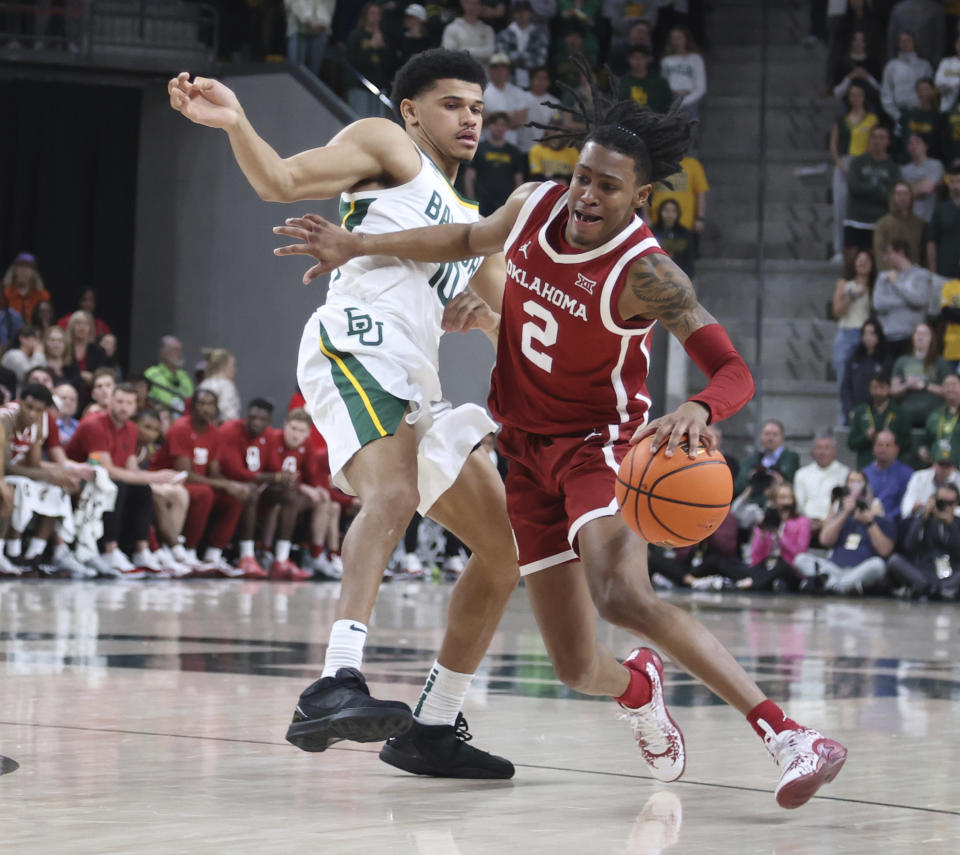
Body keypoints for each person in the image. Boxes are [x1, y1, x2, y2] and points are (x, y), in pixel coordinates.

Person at [276, 85, 848, 807]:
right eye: (582, 175)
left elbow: (734, 370)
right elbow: (460, 240)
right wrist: (359, 243)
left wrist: (700, 407)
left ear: (638, 198)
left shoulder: (647, 271)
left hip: (595, 448)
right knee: (578, 664)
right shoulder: (532, 205)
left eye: (607, 186)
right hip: (525, 454)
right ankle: (639, 684)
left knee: (621, 594)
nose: (586, 194)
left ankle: (790, 734)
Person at [170, 49, 521, 777]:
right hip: (355, 343)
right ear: (413, 112)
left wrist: (481, 320)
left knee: (502, 552)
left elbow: (508, 326)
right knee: (391, 490)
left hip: (416, 378)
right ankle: (334, 678)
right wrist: (236, 121)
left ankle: (430, 726)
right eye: (453, 105)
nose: (470, 120)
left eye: (479, 109)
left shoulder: (475, 224)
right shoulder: (388, 144)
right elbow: (283, 181)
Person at [66, 383, 184, 577]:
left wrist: (157, 480)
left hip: (108, 481)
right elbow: (107, 470)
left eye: (129, 403)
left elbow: (131, 468)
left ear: (136, 406)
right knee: (116, 485)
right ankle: (109, 551)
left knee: (143, 489)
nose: (124, 407)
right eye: (119, 401)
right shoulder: (94, 424)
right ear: (110, 401)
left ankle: (141, 550)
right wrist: (156, 475)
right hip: (82, 480)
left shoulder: (131, 428)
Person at [147, 388, 252, 576]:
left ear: (216, 408)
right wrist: (227, 484)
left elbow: (214, 472)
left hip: (197, 483)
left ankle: (214, 555)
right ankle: (189, 550)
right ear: (192, 407)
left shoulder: (215, 433)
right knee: (205, 493)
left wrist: (233, 486)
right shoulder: (181, 428)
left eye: (209, 404)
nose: (205, 408)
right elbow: (185, 473)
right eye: (200, 404)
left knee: (233, 498)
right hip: (169, 480)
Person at [217, 398, 305, 579]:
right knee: (249, 491)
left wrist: (284, 479)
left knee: (289, 494)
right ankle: (247, 556)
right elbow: (235, 472)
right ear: (246, 417)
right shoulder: (230, 430)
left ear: (269, 422)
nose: (256, 422)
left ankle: (281, 559)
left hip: (256, 487)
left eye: (261, 419)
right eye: (252, 417)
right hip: (226, 484)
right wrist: (278, 476)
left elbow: (273, 467)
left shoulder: (269, 436)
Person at [793, 469, 894, 596]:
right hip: (834, 568)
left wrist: (870, 521)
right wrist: (845, 512)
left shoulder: (877, 516)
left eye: (859, 482)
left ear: (867, 487)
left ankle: (831, 585)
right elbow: (825, 540)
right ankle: (842, 587)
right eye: (851, 481)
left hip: (860, 570)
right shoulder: (840, 515)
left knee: (878, 565)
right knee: (800, 559)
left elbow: (885, 551)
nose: (855, 486)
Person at [828, 80, 879, 264]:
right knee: (840, 208)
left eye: (859, 95)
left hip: (862, 163)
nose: (855, 98)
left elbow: (873, 143)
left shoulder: (871, 119)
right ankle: (838, 250)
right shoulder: (840, 120)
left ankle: (862, 249)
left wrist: (860, 165)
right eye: (852, 95)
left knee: (860, 207)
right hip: (843, 163)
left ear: (864, 97)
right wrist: (841, 164)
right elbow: (833, 145)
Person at [843, 125, 902, 275]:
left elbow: (890, 195)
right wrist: (878, 188)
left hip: (879, 222)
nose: (877, 141)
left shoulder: (892, 167)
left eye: (882, 137)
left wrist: (868, 188)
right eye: (874, 137)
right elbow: (854, 188)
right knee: (850, 263)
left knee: (876, 264)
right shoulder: (858, 162)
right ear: (869, 140)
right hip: (855, 220)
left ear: (888, 142)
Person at [886, 481, 960, 599]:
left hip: (951, 573)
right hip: (924, 571)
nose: (945, 506)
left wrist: (951, 524)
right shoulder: (924, 519)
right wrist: (923, 518)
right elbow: (909, 545)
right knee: (894, 561)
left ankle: (938, 590)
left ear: (956, 504)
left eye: (949, 503)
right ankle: (933, 590)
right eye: (941, 502)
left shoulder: (957, 522)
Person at [736, 484, 811, 593]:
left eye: (789, 498)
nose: (786, 502)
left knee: (781, 568)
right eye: (782, 498)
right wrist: (763, 532)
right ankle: (758, 582)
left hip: (789, 567)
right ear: (774, 500)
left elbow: (800, 552)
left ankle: (752, 583)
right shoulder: (766, 521)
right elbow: (756, 554)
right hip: (766, 565)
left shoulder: (801, 522)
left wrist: (780, 536)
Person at [831, 249, 875, 418]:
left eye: (866, 260)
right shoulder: (844, 284)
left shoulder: (875, 285)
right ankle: (843, 418)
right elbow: (837, 311)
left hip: (866, 335)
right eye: (859, 260)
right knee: (843, 379)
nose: (862, 263)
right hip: (847, 333)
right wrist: (853, 295)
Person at [872, 239, 933, 356]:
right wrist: (907, 302)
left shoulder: (921, 275)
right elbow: (878, 304)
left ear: (901, 252)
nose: (885, 258)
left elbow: (920, 300)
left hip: (913, 338)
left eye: (889, 253)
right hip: (888, 337)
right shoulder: (883, 277)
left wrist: (897, 284)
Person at [463, 111, 526, 215]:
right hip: (481, 201)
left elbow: (519, 181)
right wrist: (470, 200)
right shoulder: (478, 148)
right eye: (495, 124)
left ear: (507, 128)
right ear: (489, 126)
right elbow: (469, 177)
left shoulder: (514, 152)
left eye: (503, 125)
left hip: (505, 203)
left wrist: (516, 203)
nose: (499, 128)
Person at [793, 433, 850, 544]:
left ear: (834, 451)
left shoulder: (845, 473)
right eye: (819, 448)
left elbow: (843, 505)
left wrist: (826, 522)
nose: (822, 452)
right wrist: (807, 521)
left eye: (827, 448)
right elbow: (798, 503)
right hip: (806, 523)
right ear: (813, 451)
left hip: (833, 523)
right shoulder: (801, 474)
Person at [847, 372, 913, 468]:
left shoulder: (900, 413)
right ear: (870, 389)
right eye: (874, 388)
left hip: (892, 467)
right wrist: (865, 437)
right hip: (865, 466)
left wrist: (891, 439)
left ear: (889, 389)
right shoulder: (861, 412)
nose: (878, 392)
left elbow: (907, 443)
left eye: (882, 387)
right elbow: (851, 443)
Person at [891, 320, 949, 427]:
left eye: (925, 334)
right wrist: (906, 385)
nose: (920, 337)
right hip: (906, 415)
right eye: (917, 334)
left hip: (933, 416)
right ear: (913, 337)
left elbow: (948, 392)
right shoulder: (902, 361)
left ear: (931, 338)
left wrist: (924, 385)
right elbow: (893, 390)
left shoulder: (940, 362)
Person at [733, 419, 801, 504]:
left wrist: (778, 481)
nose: (770, 438)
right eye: (767, 434)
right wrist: (751, 478)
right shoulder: (752, 459)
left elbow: (790, 483)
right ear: (761, 437)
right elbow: (738, 484)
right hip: (752, 502)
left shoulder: (790, 458)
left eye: (775, 434)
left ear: (782, 437)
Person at [880, 30, 934, 126]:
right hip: (899, 114)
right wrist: (897, 116)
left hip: (921, 113)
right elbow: (886, 93)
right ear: (898, 44)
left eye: (908, 40)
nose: (905, 43)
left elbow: (930, 91)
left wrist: (925, 111)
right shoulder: (891, 66)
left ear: (914, 42)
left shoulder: (925, 65)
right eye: (902, 41)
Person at [864, 428, 914, 523]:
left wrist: (884, 518)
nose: (883, 449)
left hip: (897, 525)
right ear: (873, 448)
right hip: (867, 522)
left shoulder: (908, 474)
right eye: (880, 445)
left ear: (896, 449)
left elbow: (906, 505)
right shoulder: (864, 474)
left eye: (888, 445)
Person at [900, 439, 960, 518]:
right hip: (923, 521)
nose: (944, 469)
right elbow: (906, 508)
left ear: (953, 466)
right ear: (933, 463)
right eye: (941, 464)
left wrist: (946, 511)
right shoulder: (919, 477)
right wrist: (921, 508)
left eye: (948, 465)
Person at [494, 1, 548, 90]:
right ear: (513, 14)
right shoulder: (504, 34)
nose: (522, 15)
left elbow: (540, 61)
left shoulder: (538, 35)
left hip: (534, 86)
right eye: (518, 12)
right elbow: (502, 59)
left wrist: (514, 57)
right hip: (509, 83)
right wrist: (529, 57)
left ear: (530, 13)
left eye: (525, 11)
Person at [482, 54, 531, 149]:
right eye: (495, 67)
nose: (499, 71)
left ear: (508, 70)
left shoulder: (519, 93)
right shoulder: (481, 91)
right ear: (490, 70)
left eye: (503, 67)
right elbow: (478, 118)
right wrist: (508, 115)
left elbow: (521, 120)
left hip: (511, 144)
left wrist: (491, 117)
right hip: (485, 144)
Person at [872, 181, 926, 268]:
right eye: (898, 194)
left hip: (915, 275)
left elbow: (924, 255)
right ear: (893, 197)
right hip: (891, 276)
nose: (902, 197)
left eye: (905, 194)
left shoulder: (920, 224)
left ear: (911, 197)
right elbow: (880, 255)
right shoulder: (882, 224)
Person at [659, 25, 706, 121]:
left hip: (690, 98)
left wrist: (685, 101)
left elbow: (701, 87)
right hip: (671, 99)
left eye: (679, 38)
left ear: (686, 39)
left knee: (689, 129)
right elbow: (663, 83)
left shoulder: (695, 58)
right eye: (674, 38)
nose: (677, 41)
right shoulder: (666, 60)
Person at [144, 336, 195, 417]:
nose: (179, 354)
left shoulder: (185, 376)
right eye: (175, 350)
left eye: (180, 350)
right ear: (162, 352)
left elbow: (191, 401)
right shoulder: (151, 374)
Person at [284, 0, 335, 79]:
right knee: (295, 72)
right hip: (298, 29)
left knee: (314, 75)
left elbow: (329, 4)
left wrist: (322, 21)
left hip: (320, 30)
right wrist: (308, 19)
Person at [901, 132, 944, 222]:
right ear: (907, 148)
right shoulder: (903, 170)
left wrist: (909, 190)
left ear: (925, 146)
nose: (914, 145)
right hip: (908, 219)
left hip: (929, 219)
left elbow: (926, 189)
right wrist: (920, 185)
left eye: (917, 142)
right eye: (910, 143)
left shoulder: (935, 165)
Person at [926, 166, 960, 278]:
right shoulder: (941, 209)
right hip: (945, 271)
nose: (955, 186)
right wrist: (932, 269)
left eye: (958, 181)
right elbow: (931, 241)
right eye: (952, 182)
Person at [617, 45, 672, 114]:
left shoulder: (660, 83)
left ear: (648, 59)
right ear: (629, 59)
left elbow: (668, 107)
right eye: (634, 57)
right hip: (628, 121)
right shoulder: (622, 82)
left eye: (642, 57)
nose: (638, 61)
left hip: (656, 121)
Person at [918, 373, 960, 464]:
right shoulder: (934, 415)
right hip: (938, 469)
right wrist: (923, 449)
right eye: (946, 385)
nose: (950, 388)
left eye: (953, 384)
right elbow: (925, 441)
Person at [442, 0, 496, 66]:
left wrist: (462, 50)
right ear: (462, 3)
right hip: (459, 72)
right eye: (468, 2)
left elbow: (489, 54)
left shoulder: (487, 29)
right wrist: (478, 52)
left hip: (482, 73)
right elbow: (448, 53)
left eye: (475, 4)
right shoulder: (452, 28)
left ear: (481, 6)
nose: (471, 7)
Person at [2, 253, 51, 323]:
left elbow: (45, 321)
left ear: (34, 272)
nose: (24, 271)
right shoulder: (5, 293)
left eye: (28, 267)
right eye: (21, 266)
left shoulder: (42, 296)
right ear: (14, 270)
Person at [651, 198, 695, 277]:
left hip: (681, 277)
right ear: (660, 212)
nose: (669, 214)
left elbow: (689, 260)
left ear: (678, 213)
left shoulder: (685, 233)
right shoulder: (652, 233)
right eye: (666, 210)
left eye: (673, 211)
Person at [197, 347, 241, 422]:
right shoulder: (226, 385)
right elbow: (228, 416)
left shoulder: (203, 384)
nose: (235, 369)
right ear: (223, 366)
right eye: (233, 365)